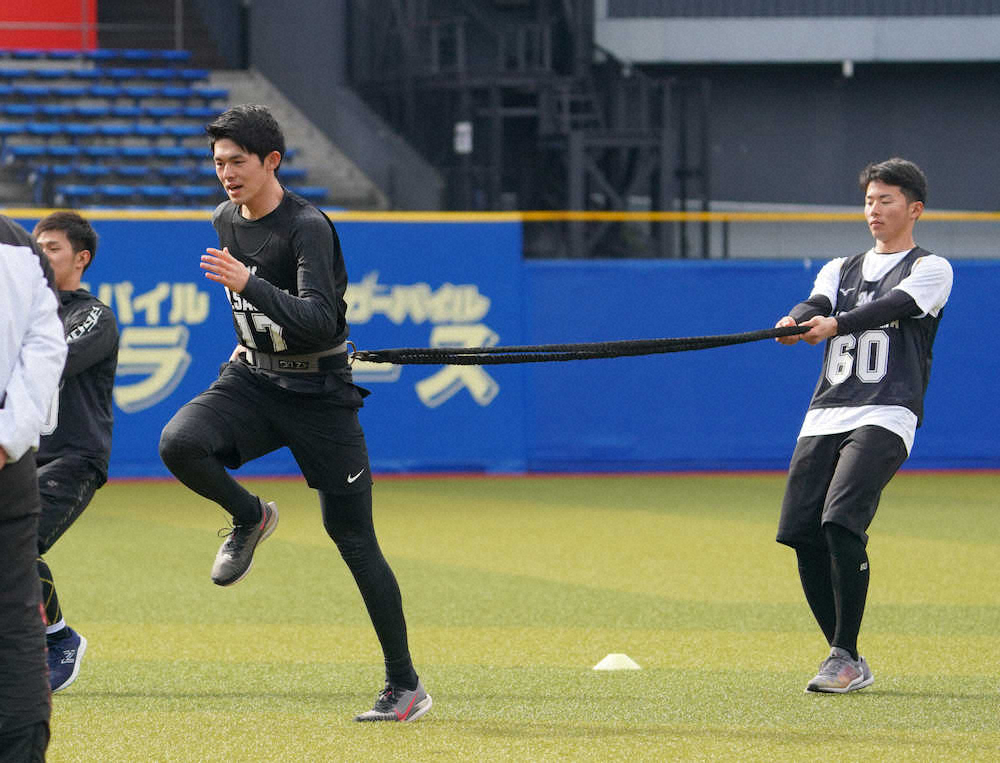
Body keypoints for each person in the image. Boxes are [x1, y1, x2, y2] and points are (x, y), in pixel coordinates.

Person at [158, 104, 431, 722]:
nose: (225, 173)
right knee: (179, 443)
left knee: (353, 539)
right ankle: (250, 516)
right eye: (218, 162)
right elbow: (257, 316)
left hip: (321, 400)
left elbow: (319, 320)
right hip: (252, 382)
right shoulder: (225, 217)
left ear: (271, 162)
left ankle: (404, 684)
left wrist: (246, 283)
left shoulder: (308, 226)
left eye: (237, 162)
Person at [774, 157, 953, 693]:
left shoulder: (932, 268)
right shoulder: (839, 266)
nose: (874, 210)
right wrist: (792, 321)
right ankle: (844, 655)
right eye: (870, 200)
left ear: (914, 209)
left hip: (887, 411)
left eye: (887, 200)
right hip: (827, 411)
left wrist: (834, 324)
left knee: (840, 520)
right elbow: (817, 302)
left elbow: (892, 307)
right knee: (800, 532)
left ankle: (844, 656)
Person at [32, 211, 119, 693]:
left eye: (52, 248)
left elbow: (51, 363)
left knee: (14, 544)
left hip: (73, 459)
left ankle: (59, 638)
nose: (40, 256)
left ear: (81, 258)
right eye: (36, 247)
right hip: (21, 457)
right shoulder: (22, 312)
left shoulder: (91, 315)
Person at [0, 214, 67, 762]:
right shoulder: (19, 244)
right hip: (9, 464)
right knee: (15, 619)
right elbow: (45, 350)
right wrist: (6, 441)